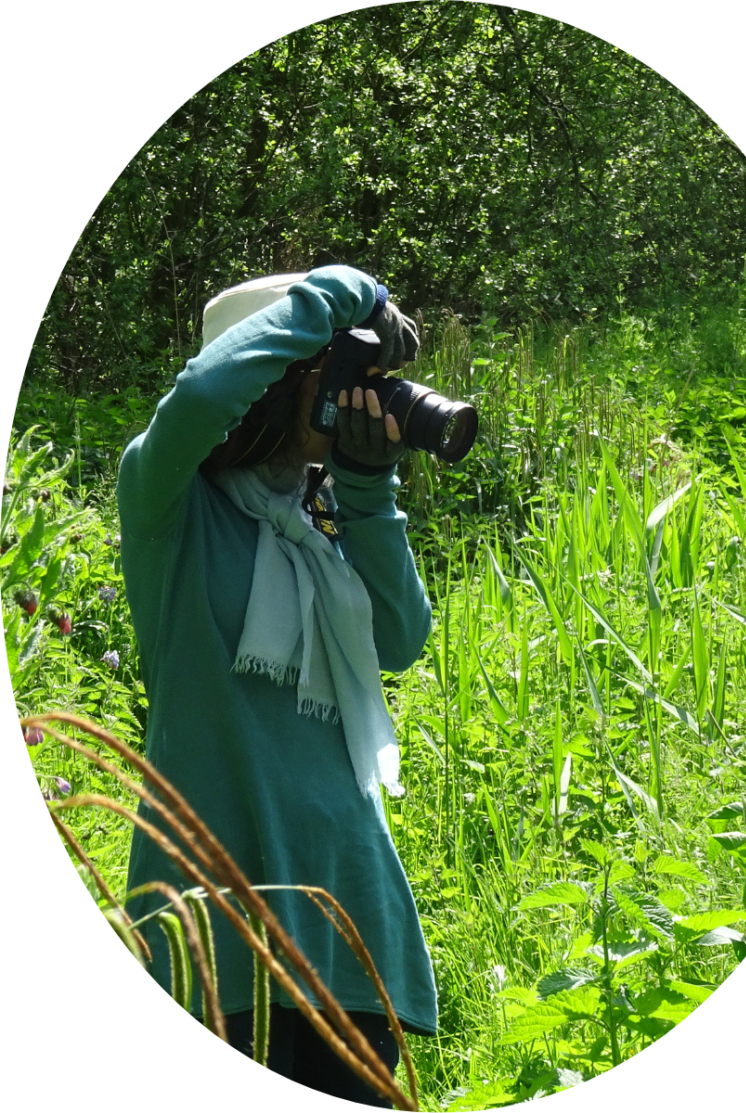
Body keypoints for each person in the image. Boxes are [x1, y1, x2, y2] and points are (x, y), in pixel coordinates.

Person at [118, 265, 437, 1106]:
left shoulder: (322, 526)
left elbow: (401, 637)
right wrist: (347, 292)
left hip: (351, 924)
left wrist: (372, 488)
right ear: (270, 380)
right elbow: (197, 398)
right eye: (332, 376)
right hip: (212, 926)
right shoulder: (171, 510)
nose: (348, 400)